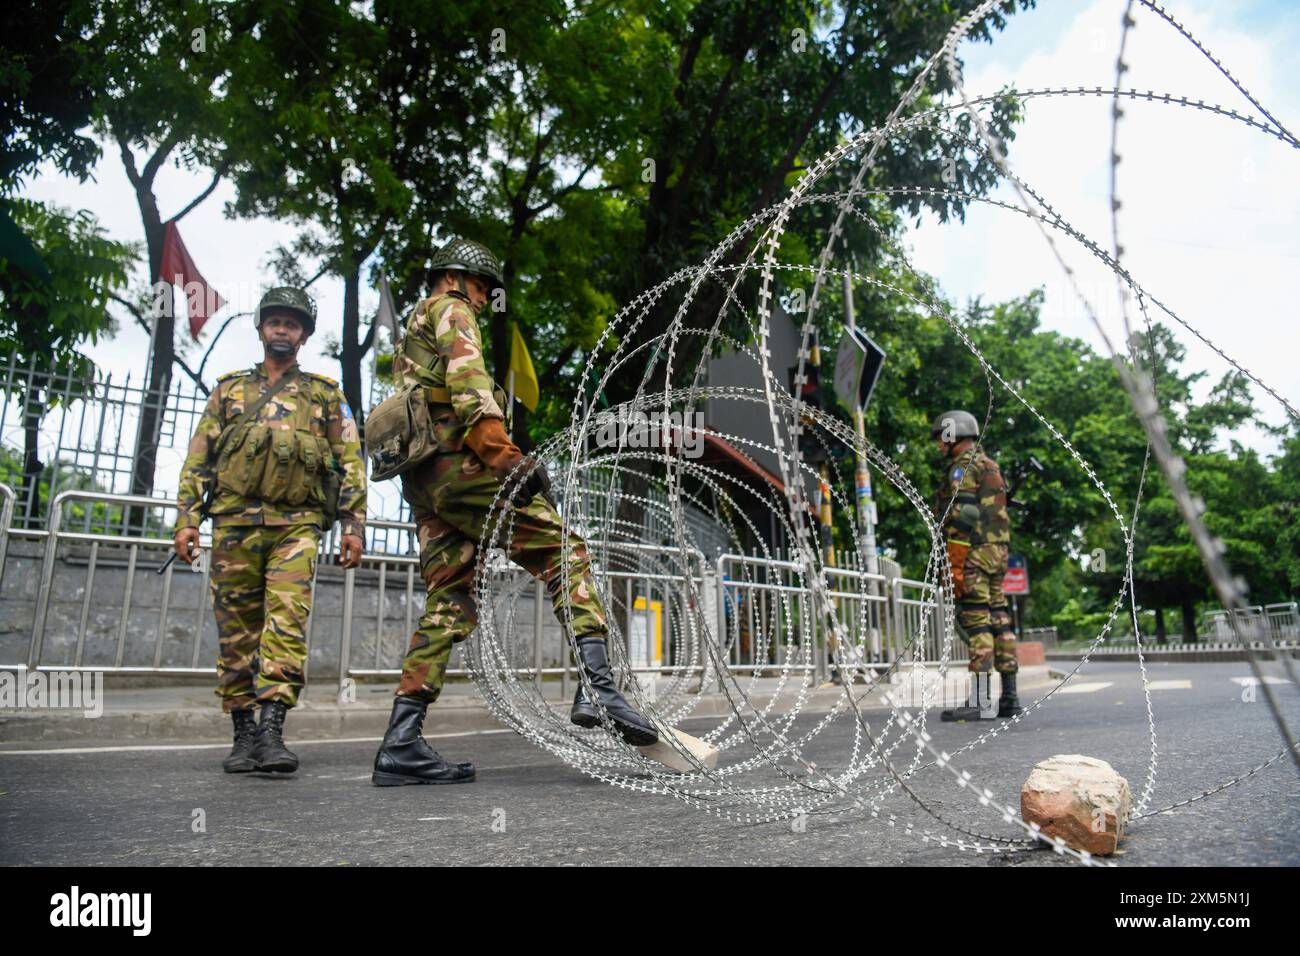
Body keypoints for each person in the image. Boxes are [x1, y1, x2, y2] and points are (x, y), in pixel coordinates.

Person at [370, 237, 657, 786]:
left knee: (449, 599)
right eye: (482, 287)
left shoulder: (411, 332)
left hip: (426, 485)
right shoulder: (450, 309)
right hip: (462, 467)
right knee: (564, 551)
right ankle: (599, 689)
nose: (483, 301)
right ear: (457, 278)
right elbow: (470, 390)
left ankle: (400, 742)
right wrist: (508, 460)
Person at [174, 287, 367, 773]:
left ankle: (272, 730)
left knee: (286, 621)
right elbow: (199, 459)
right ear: (262, 328)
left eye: (292, 324)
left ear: (303, 335)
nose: (282, 330)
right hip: (235, 523)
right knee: (236, 632)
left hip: (296, 527)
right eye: (275, 322)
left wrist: (353, 524)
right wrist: (187, 520)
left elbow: (349, 462)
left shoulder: (324, 395)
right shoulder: (229, 390)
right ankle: (242, 734)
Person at [930, 410, 1024, 720]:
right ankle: (1010, 697)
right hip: (998, 555)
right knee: (1000, 620)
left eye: (939, 438)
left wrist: (955, 566)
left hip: (973, 554)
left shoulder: (963, 467)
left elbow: (966, 515)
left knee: (977, 621)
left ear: (950, 435)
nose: (938, 445)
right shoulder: (990, 465)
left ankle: (981, 702)